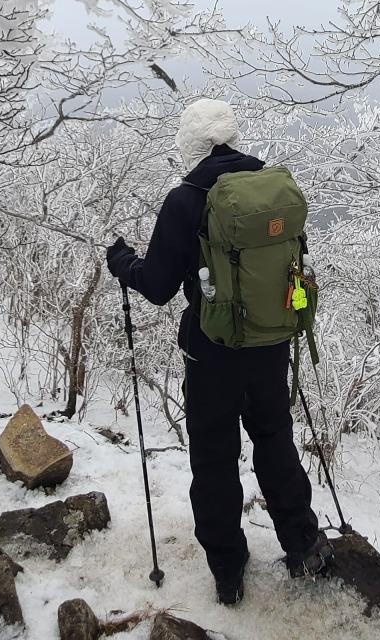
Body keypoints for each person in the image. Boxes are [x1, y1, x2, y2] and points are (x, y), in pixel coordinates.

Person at [105, 98, 331, 606]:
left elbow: (159, 285)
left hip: (211, 352)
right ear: (230, 135)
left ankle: (228, 569)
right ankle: (302, 545)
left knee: (214, 458)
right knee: (275, 441)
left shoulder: (186, 199)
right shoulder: (271, 188)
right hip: (271, 344)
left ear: (192, 143)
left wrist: (123, 263)